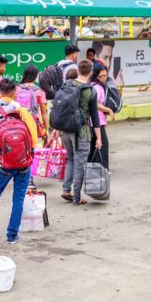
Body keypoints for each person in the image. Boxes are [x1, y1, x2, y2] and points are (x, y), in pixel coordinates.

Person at [0, 80, 38, 244]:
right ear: (14, 92)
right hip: (23, 163)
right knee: (18, 198)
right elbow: (33, 137)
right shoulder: (22, 111)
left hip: (3, 163)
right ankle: (12, 235)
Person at [60, 59, 102, 205]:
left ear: (78, 70)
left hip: (65, 130)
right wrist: (99, 138)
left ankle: (66, 190)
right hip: (81, 132)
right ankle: (77, 198)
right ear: (91, 72)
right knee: (80, 165)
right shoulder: (90, 90)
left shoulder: (67, 84)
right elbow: (94, 116)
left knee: (70, 159)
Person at [89, 63, 115, 167]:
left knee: (94, 146)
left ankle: (93, 169)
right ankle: (102, 169)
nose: (104, 78)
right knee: (103, 145)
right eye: (101, 76)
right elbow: (95, 104)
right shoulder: (97, 87)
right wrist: (109, 110)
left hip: (95, 121)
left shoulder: (93, 85)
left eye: (105, 75)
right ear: (96, 76)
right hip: (96, 121)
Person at [16, 65, 47, 143]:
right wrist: (46, 130)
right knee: (33, 144)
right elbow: (44, 113)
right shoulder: (39, 91)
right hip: (33, 123)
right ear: (36, 75)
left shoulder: (16, 88)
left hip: (18, 122)